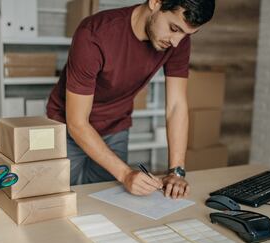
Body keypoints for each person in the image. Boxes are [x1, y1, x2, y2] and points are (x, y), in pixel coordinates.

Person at [46, 0, 215, 199]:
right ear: (155, 2)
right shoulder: (94, 34)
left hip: (116, 127)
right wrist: (125, 173)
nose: (176, 42)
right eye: (173, 28)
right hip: (67, 128)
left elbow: (176, 106)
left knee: (108, 204)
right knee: (63, 201)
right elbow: (77, 123)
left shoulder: (179, 40)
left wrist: (176, 171)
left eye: (186, 34)